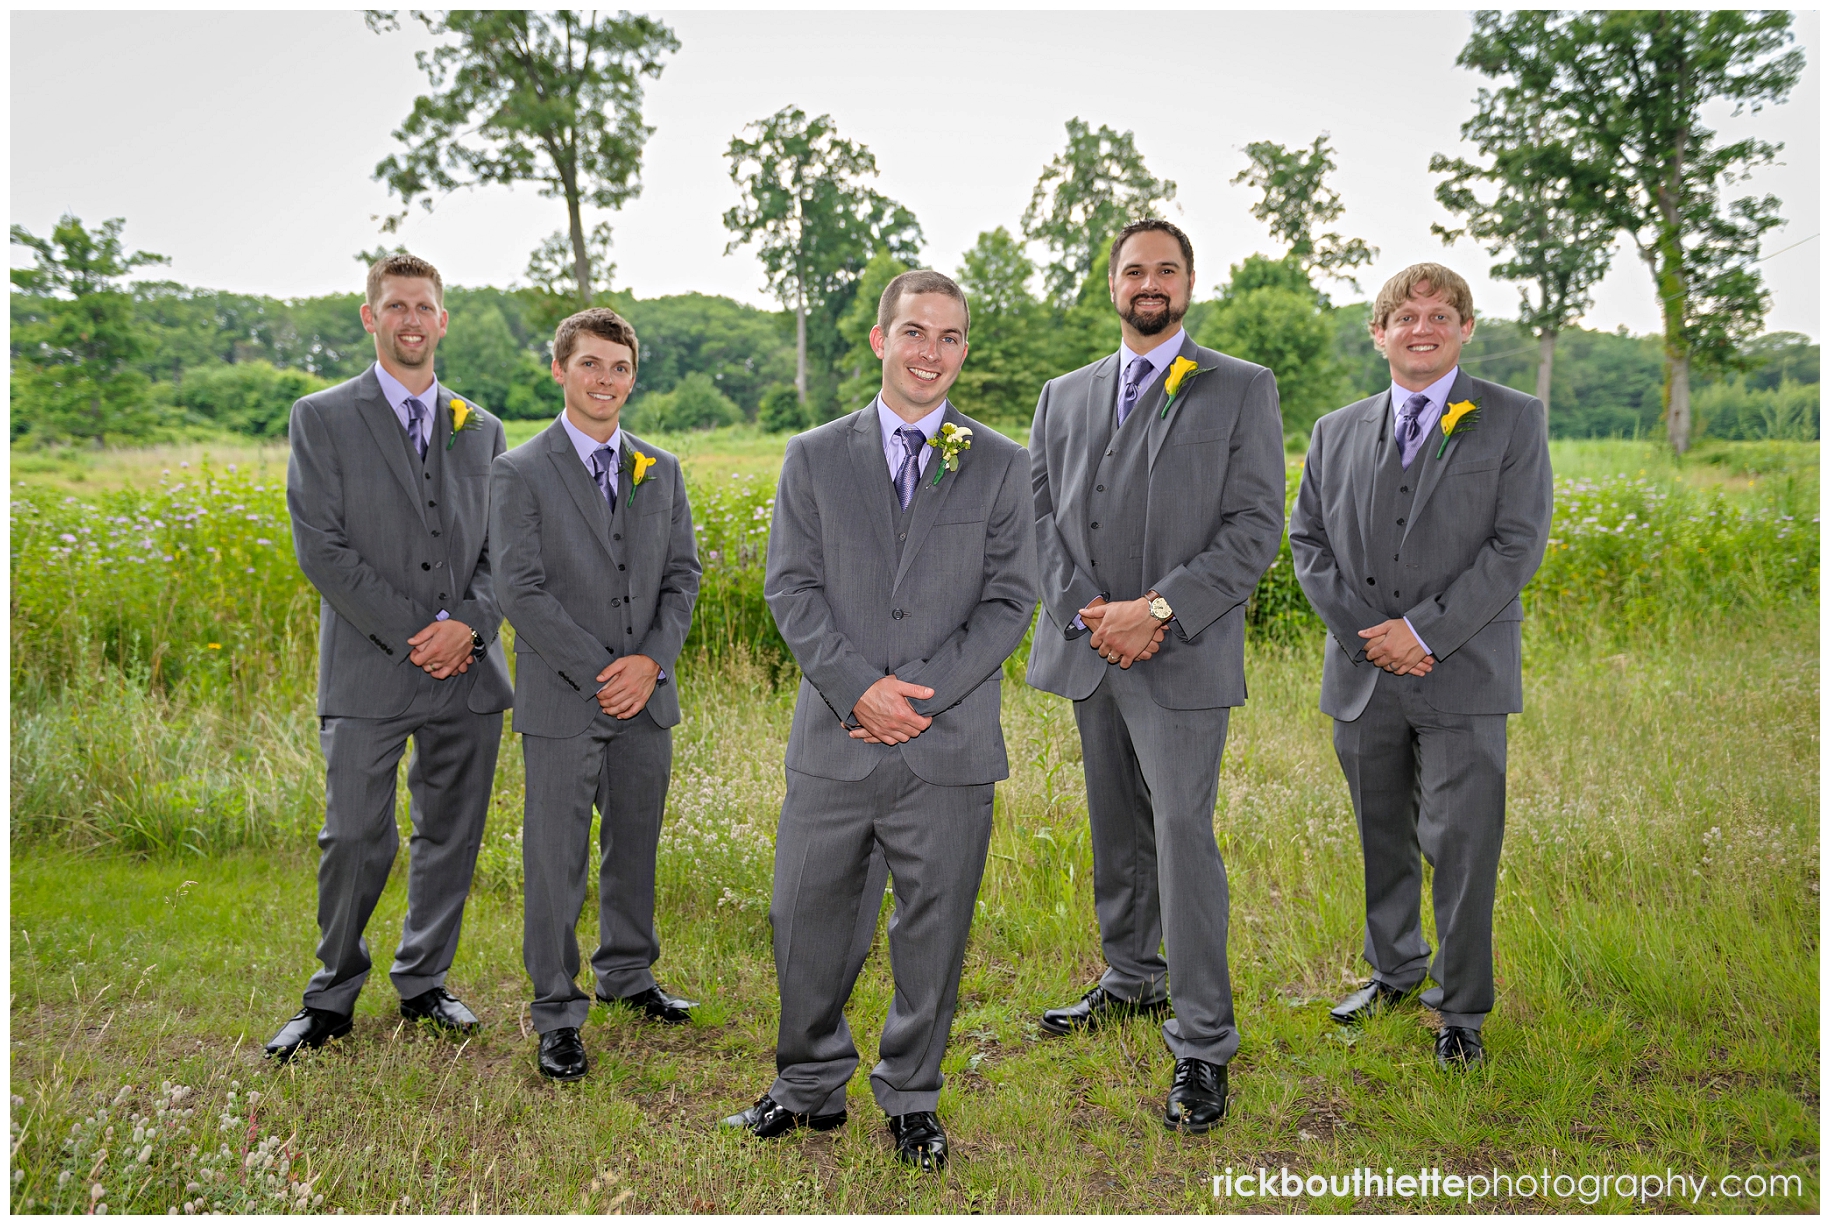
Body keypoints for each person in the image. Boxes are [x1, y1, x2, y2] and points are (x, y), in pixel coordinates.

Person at [724, 270, 1038, 1171]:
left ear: (963, 350)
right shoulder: (813, 455)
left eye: (948, 337)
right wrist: (859, 688)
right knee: (804, 916)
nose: (929, 352)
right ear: (879, 339)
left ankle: (912, 1096)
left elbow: (1013, 597)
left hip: (949, 743)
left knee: (933, 929)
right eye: (913, 332)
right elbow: (792, 586)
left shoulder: (1002, 462)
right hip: (835, 737)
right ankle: (808, 1085)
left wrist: (916, 697)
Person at [1025, 219, 1285, 1132]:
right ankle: (1133, 978)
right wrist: (1090, 614)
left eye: (1166, 270)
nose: (1150, 283)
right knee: (1116, 828)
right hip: (1091, 645)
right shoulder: (1062, 393)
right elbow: (1039, 514)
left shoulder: (1240, 388)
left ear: (1188, 283)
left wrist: (1158, 611)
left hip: (1181, 650)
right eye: (1134, 268)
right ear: (1112, 283)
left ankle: (1205, 1039)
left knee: (1180, 833)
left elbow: (1257, 528)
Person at [1288, 262, 1552, 1069]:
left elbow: (1517, 545)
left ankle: (1461, 1007)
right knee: (1382, 833)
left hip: (1464, 672)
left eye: (1442, 314)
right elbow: (1308, 542)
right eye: (1405, 316)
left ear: (1466, 328)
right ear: (1380, 333)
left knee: (1464, 841)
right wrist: (1374, 633)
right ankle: (1397, 969)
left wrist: (1425, 632)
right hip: (1364, 675)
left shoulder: (1512, 418)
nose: (1423, 327)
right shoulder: (1336, 430)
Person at [268, 253, 512, 1061]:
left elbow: (505, 552)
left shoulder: (483, 426)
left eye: (425, 307)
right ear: (370, 316)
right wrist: (421, 632)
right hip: (371, 668)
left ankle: (424, 980)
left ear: (443, 320)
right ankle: (331, 993)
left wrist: (469, 625)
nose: (412, 319)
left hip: (468, 673)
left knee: (451, 833)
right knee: (354, 835)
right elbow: (323, 550)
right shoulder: (322, 417)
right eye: (396, 305)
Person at [489, 308, 702, 1081]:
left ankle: (628, 973)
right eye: (590, 365)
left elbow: (683, 577)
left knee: (634, 844)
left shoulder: (662, 468)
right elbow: (520, 588)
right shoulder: (520, 470)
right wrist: (602, 670)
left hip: (647, 698)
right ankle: (555, 1009)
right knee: (555, 858)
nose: (605, 380)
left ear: (632, 377)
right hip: (562, 701)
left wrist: (648, 661)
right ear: (560, 370)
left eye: (618, 367)